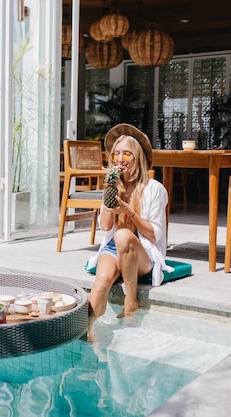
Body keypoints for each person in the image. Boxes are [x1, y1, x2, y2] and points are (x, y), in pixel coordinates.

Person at [86, 124, 169, 320]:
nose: (120, 159)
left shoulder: (154, 189)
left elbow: (154, 234)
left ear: (138, 157)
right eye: (116, 154)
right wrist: (110, 192)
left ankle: (131, 300)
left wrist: (128, 212)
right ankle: (88, 333)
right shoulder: (112, 185)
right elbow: (105, 226)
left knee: (123, 235)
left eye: (126, 154)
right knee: (102, 281)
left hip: (144, 253)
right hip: (115, 248)